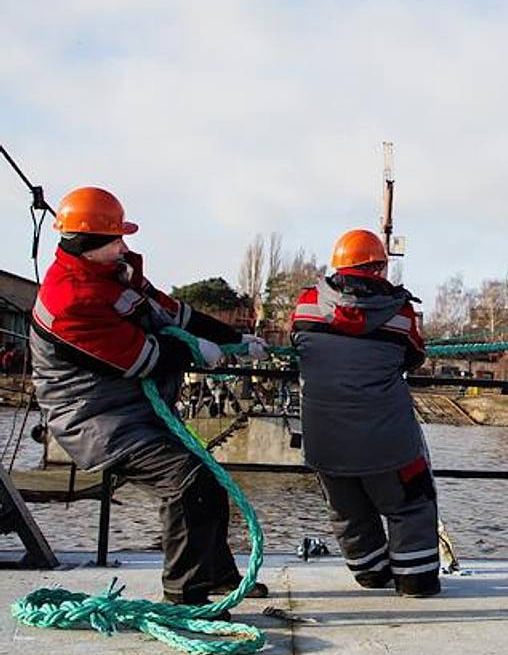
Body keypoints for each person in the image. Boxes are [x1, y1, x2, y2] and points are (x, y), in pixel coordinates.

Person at [28, 186, 269, 609]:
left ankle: (214, 576)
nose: (124, 244)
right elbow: (143, 358)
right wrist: (197, 350)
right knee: (186, 483)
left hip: (129, 410)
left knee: (207, 481)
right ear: (89, 245)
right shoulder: (69, 302)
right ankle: (184, 596)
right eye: (116, 238)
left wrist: (232, 339)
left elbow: (174, 314)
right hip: (94, 420)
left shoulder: (114, 273)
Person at [290, 229, 441, 597]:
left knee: (348, 510)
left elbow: (297, 344)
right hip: (387, 441)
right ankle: (415, 581)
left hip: (324, 442)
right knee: (412, 502)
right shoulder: (400, 314)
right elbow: (413, 356)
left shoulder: (306, 304)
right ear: (378, 267)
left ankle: (371, 573)